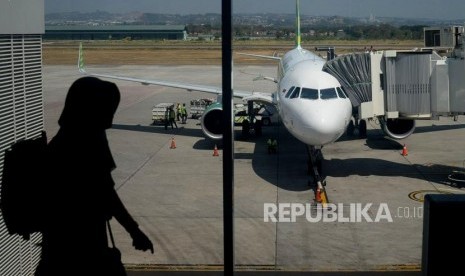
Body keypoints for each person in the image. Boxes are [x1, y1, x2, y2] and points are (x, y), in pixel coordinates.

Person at [36, 76, 154, 276]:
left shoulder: (62, 141)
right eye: (107, 108)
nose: (110, 116)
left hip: (57, 247)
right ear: (92, 109)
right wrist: (134, 231)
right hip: (82, 246)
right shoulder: (86, 141)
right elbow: (106, 194)